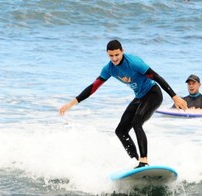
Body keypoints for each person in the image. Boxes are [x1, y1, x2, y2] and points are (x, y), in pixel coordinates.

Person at [59, 40, 188, 168]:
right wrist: (71, 104)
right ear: (107, 54)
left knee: (137, 122)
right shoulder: (109, 69)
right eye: (111, 56)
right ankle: (135, 161)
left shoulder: (134, 62)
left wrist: (174, 97)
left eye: (117, 55)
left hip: (153, 94)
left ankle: (143, 161)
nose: (114, 58)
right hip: (139, 97)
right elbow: (93, 88)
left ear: (122, 52)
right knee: (120, 131)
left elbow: (156, 76)